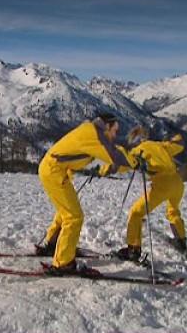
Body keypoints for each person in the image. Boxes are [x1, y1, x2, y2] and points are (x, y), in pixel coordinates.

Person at [36, 113, 130, 275]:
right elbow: (113, 155)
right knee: (74, 216)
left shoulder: (92, 132)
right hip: (53, 172)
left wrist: (108, 166)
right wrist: (134, 161)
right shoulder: (93, 134)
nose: (116, 134)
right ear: (107, 126)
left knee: (66, 212)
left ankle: (53, 244)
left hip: (56, 171)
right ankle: (63, 262)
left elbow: (106, 155)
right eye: (115, 130)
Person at [114, 126, 187, 261]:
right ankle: (181, 241)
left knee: (136, 213)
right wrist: (176, 137)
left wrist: (101, 170)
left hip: (162, 184)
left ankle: (133, 248)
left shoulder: (136, 151)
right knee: (173, 210)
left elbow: (122, 165)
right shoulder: (159, 145)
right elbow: (179, 145)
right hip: (178, 182)